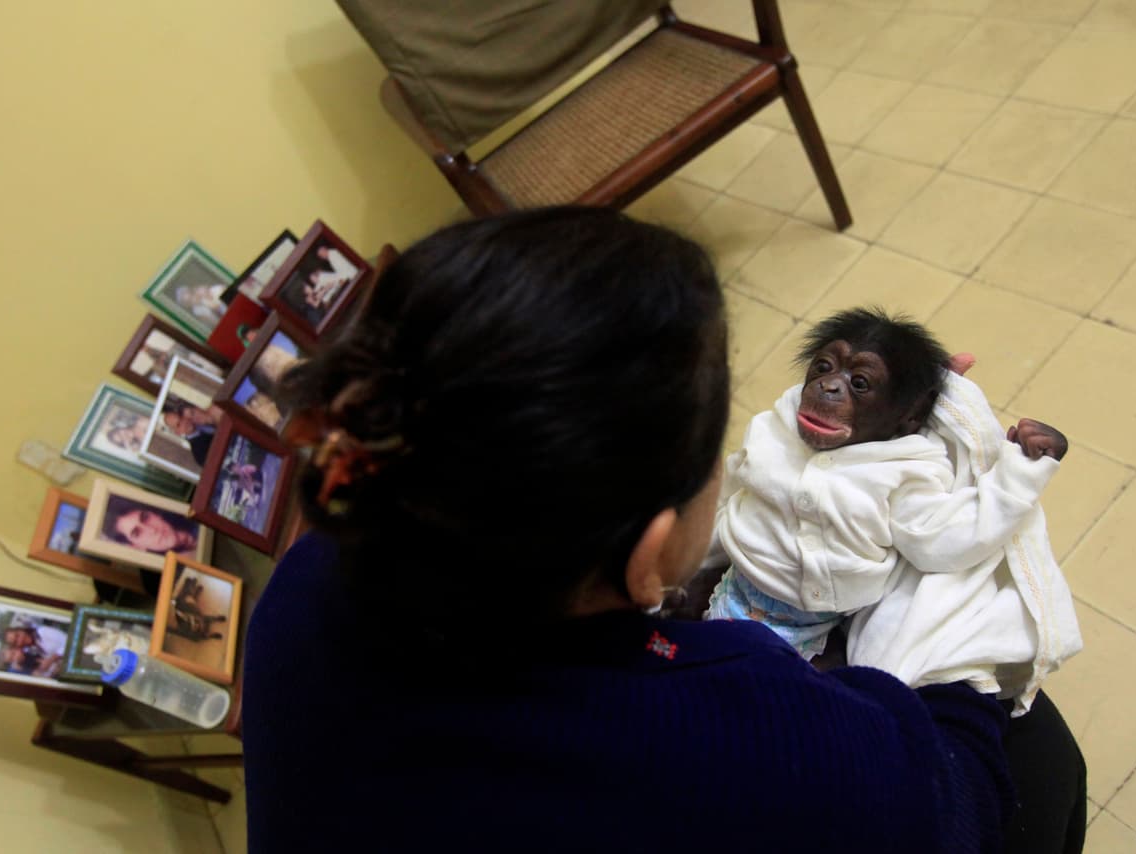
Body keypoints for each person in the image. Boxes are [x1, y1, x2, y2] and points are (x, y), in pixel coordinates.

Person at [242, 207, 1085, 852]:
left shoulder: (313, 574)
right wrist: (958, 633)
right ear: (651, 564)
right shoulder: (761, 734)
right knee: (1043, 761)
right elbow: (950, 802)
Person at [704, 309, 1082, 715]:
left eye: (859, 383)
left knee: (791, 707)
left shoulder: (906, 465)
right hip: (731, 588)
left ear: (909, 417)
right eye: (823, 367)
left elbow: (946, 540)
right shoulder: (779, 423)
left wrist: (1020, 473)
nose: (828, 386)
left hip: (812, 628)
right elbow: (733, 486)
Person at [102, 496, 199, 556]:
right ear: (136, 546)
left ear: (155, 514)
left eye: (145, 518)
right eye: (136, 533)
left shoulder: (194, 512)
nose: (152, 530)